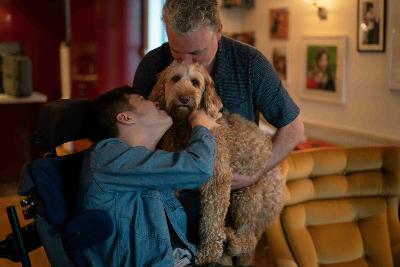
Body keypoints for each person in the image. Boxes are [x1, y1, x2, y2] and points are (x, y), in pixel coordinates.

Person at [133, 0, 305, 245]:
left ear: (219, 32)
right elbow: (134, 133)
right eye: (176, 52)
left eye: (196, 53)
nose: (186, 62)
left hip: (230, 197)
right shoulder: (152, 65)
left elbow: (294, 129)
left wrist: (255, 175)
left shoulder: (250, 63)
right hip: (170, 198)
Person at [75, 86, 220, 266]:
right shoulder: (106, 156)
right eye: (143, 100)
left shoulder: (144, 165)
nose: (156, 102)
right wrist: (201, 125)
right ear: (126, 117)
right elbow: (200, 167)